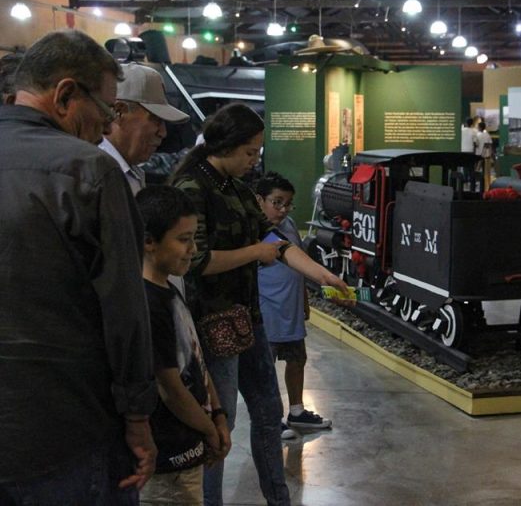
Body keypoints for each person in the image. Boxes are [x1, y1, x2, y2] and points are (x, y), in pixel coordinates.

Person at [0, 30, 157, 505]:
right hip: (63, 430)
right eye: (107, 109)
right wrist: (138, 418)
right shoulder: (91, 172)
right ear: (66, 94)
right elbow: (126, 312)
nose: (108, 126)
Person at [171, 103, 350, 506]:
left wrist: (322, 276)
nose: (255, 160)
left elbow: (276, 242)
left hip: (250, 320)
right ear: (229, 145)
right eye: (250, 152)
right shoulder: (192, 190)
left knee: (269, 414)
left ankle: (278, 498)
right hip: (212, 323)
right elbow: (195, 262)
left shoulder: (236, 189)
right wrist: (253, 252)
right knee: (222, 424)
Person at [136, 186, 231, 505]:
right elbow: (171, 388)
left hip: (189, 451)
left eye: (194, 238)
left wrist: (218, 414)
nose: (192, 249)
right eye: (183, 239)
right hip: (168, 462)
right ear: (149, 241)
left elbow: (197, 363)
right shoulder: (148, 305)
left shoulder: (169, 291)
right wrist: (210, 430)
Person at [255, 172, 332, 440]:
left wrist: (304, 302)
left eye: (287, 204)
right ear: (260, 200)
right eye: (277, 202)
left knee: (297, 359)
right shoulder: (254, 231)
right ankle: (270, 418)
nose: (283, 209)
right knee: (266, 368)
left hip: (290, 312)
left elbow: (297, 269)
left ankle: (297, 410)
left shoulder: (288, 226)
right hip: (267, 313)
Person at [99, 63, 189, 196]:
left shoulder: (131, 172)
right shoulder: (94, 173)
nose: (163, 133)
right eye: (155, 119)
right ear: (119, 112)